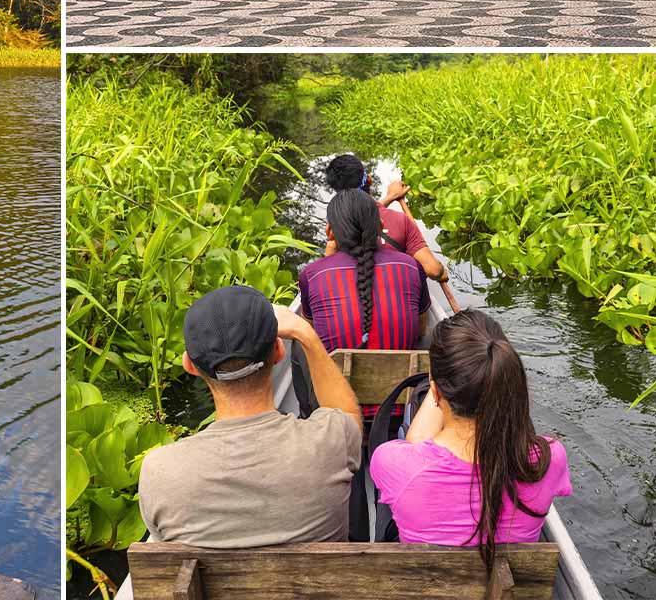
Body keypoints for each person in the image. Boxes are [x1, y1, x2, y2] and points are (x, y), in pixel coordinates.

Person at [138, 285, 362, 547]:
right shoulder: (332, 440)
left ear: (190, 366)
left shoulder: (159, 472)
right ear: (279, 351)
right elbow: (347, 414)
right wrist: (306, 334)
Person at [370, 309, 571, 568]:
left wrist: (435, 390)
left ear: (436, 393)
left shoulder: (393, 462)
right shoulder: (549, 458)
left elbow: (417, 444)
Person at [299, 189, 430, 353]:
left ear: (329, 232)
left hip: (334, 377)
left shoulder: (311, 275)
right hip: (406, 377)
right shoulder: (411, 266)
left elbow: (312, 332)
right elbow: (421, 329)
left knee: (301, 346)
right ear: (381, 225)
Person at [323, 153, 448, 282]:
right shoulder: (400, 221)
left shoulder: (337, 225)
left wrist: (390, 197)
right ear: (369, 179)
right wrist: (442, 272)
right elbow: (433, 270)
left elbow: (327, 272)